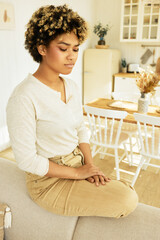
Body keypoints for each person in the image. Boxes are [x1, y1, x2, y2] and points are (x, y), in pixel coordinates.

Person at [6, 4, 138, 218]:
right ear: (41, 48)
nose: (72, 56)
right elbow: (26, 160)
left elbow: (81, 129)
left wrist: (90, 166)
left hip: (77, 161)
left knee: (126, 192)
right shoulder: (23, 97)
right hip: (49, 182)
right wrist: (77, 173)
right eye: (63, 48)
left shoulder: (72, 87)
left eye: (76, 49)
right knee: (127, 199)